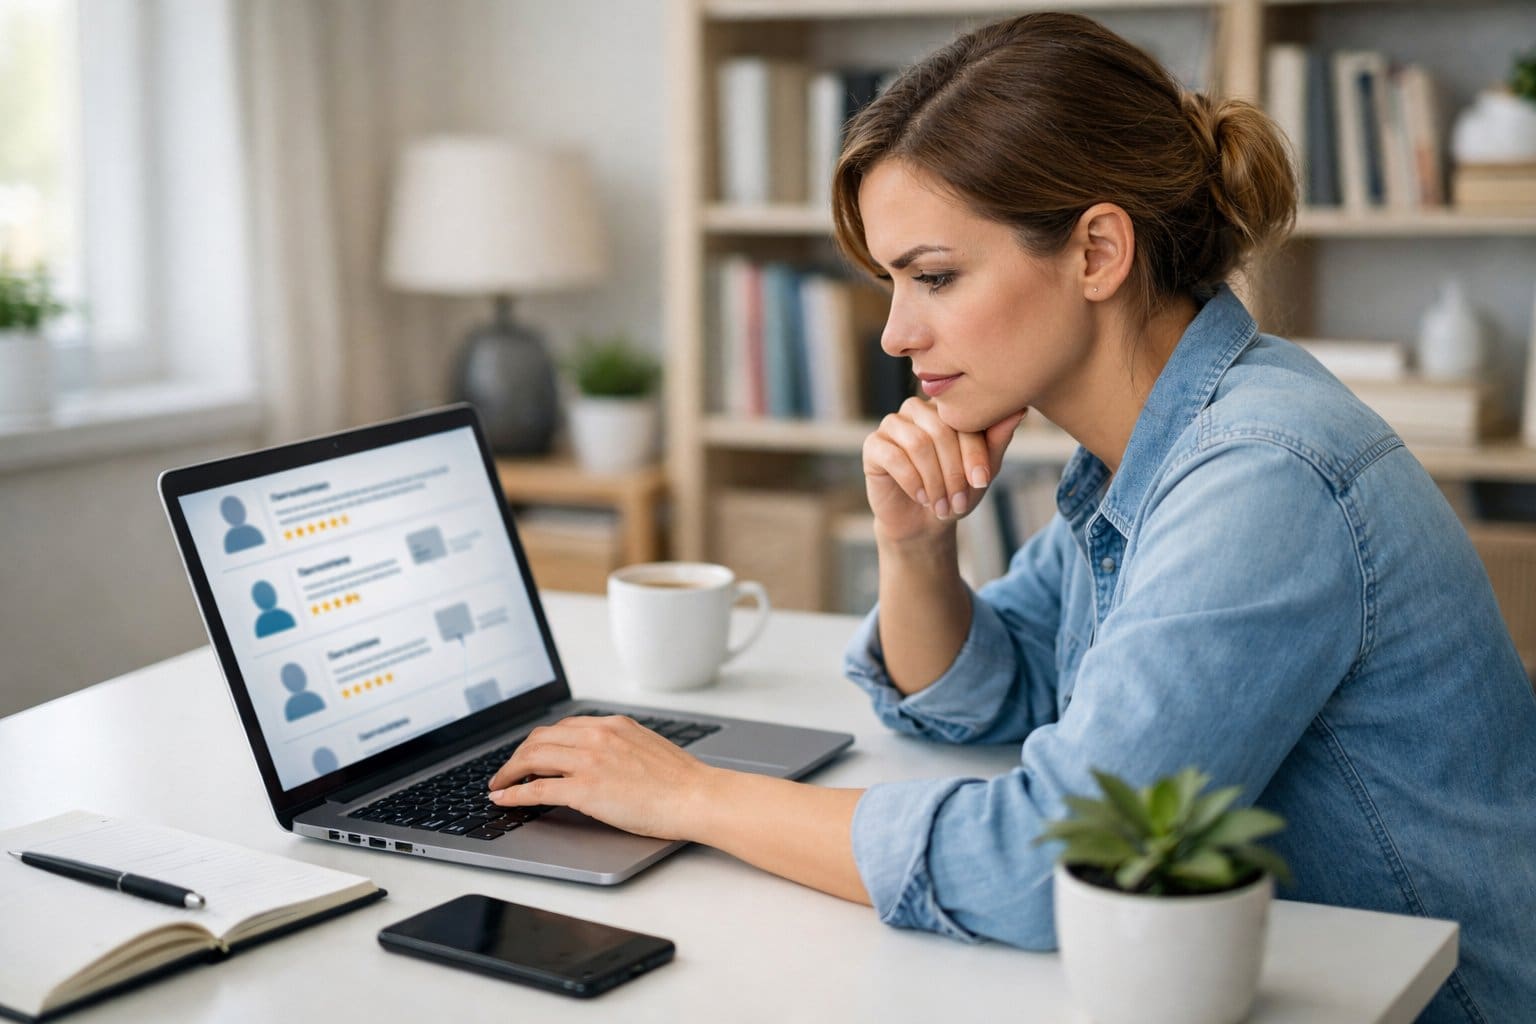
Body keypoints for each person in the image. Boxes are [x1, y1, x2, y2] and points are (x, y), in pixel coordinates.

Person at [488, 13, 1536, 1020]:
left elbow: (1055, 858)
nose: (897, 333)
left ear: (1095, 253)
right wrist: (915, 547)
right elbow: (1001, 687)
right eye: (892, 284)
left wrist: (692, 798)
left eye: (934, 276)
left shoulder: (1260, 476)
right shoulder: (1150, 438)